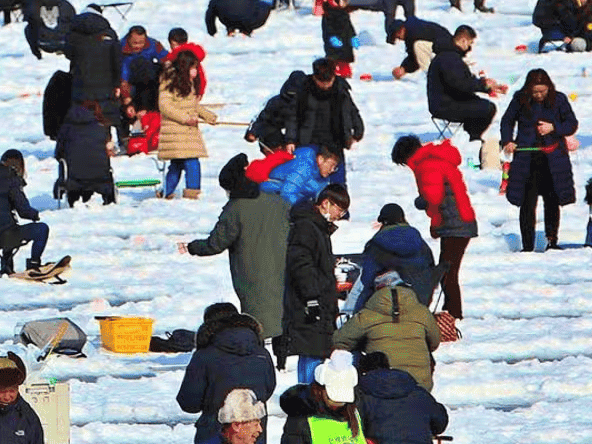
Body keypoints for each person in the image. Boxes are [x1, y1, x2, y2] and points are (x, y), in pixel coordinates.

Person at [181, 154, 292, 370]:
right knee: (282, 317)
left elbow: (216, 243)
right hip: (283, 268)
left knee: (256, 321)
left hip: (252, 274)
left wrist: (193, 247)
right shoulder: (279, 202)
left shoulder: (236, 208)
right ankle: (282, 362)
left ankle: (259, 361)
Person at [390, 135, 476, 321]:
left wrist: (420, 202)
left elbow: (434, 197)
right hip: (457, 221)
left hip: (456, 224)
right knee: (446, 271)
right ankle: (449, 311)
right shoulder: (433, 158)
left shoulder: (426, 164)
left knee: (447, 272)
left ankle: (455, 315)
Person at [501, 68, 578, 252]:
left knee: (552, 202)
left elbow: (571, 123)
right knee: (527, 204)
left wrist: (554, 128)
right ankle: (527, 245)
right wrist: (508, 141)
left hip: (553, 159)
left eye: (542, 91)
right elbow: (507, 121)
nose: (538, 95)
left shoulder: (559, 99)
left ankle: (552, 240)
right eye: (535, 92)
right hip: (527, 160)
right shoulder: (520, 99)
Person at [176, 304, 277, 443]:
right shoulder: (262, 354)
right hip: (254, 439)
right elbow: (268, 389)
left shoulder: (204, 356)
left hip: (214, 438)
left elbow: (188, 403)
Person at [279, 184, 350, 381]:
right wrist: (312, 298)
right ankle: (308, 397)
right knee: (313, 351)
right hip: (309, 302)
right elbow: (302, 265)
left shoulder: (317, 227)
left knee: (311, 351)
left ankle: (305, 395)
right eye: (340, 209)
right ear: (326, 203)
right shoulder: (307, 227)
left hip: (315, 299)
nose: (341, 215)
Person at [355, 352, 450, 444]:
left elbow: (356, 427)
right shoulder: (416, 391)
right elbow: (439, 423)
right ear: (388, 366)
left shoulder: (361, 394)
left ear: (363, 371)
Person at [279, 350, 372, 444]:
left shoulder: (356, 413)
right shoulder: (301, 418)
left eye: (343, 400)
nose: (338, 404)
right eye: (333, 398)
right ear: (320, 390)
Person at [332, 270, 441, 392]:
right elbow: (435, 342)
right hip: (420, 386)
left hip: (382, 385)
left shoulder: (367, 315)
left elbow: (339, 340)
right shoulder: (422, 312)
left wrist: (362, 345)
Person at [245, 58, 364, 158]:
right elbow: (262, 118)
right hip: (276, 137)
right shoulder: (277, 102)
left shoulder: (311, 98)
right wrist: (253, 132)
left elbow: (348, 111)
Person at [349, 203, 436, 314]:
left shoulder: (375, 245)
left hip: (384, 305)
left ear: (384, 222)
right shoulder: (421, 244)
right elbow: (430, 271)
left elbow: (366, 279)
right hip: (419, 303)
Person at [426, 25, 505, 142]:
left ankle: (470, 136)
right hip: (444, 105)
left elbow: (463, 81)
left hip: (447, 100)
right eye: (470, 43)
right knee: (487, 108)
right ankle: (473, 138)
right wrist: (484, 85)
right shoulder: (449, 58)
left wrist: (486, 87)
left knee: (479, 104)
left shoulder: (449, 56)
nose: (470, 47)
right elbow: (460, 84)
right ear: (463, 41)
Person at [158, 49, 217, 200]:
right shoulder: (169, 83)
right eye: (193, 68)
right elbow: (165, 106)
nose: (196, 72)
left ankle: (166, 191)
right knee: (192, 162)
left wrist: (208, 116)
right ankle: (192, 192)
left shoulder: (187, 84)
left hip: (186, 132)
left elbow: (193, 105)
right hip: (176, 131)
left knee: (177, 164)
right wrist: (185, 119)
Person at [54, 101, 115, 206]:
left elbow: (59, 153)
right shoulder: (101, 129)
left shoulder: (66, 129)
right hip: (100, 176)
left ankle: (73, 200)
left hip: (73, 178)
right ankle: (108, 200)